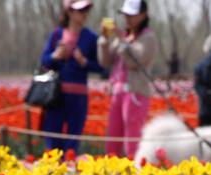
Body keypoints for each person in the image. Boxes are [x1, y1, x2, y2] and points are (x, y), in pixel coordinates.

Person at [41, 0, 103, 154]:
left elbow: (101, 66)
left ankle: (69, 172)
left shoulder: (90, 37)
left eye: (86, 10)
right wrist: (55, 56)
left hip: (78, 97)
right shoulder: (57, 34)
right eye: (80, 10)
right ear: (69, 11)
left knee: (72, 142)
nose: (84, 14)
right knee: (53, 140)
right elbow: (44, 61)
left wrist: (84, 62)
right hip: (56, 96)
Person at [98, 0, 157, 158]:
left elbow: (134, 60)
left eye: (132, 14)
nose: (128, 18)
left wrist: (122, 38)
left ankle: (135, 174)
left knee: (133, 140)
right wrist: (104, 39)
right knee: (113, 139)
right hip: (117, 93)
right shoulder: (123, 36)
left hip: (135, 94)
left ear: (143, 15)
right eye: (126, 14)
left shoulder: (148, 37)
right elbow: (105, 61)